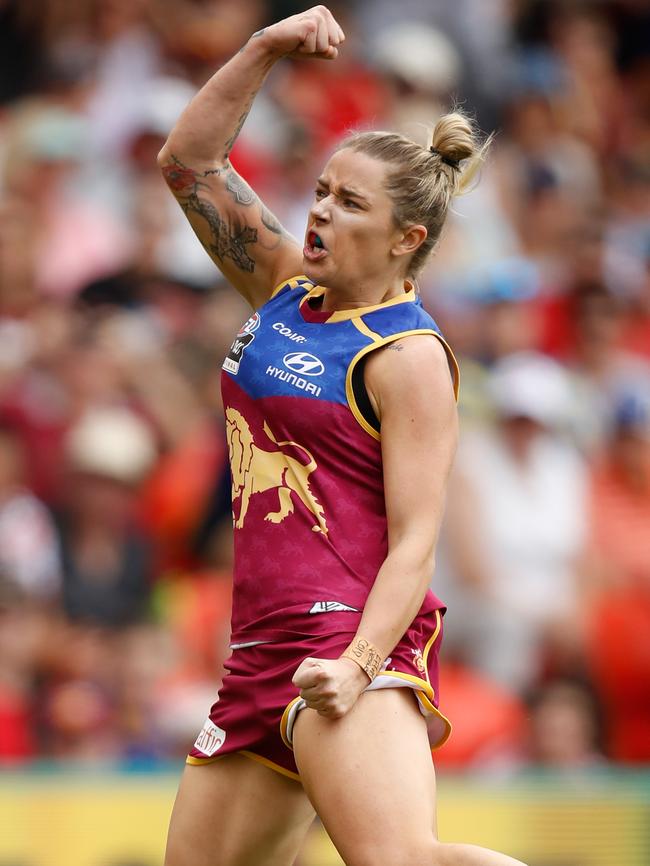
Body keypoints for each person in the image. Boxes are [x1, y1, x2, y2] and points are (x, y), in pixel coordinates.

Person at [158, 7, 527, 866]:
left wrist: (358, 665)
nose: (319, 211)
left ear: (408, 239)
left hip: (342, 646)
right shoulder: (286, 288)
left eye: (348, 203)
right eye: (321, 191)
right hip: (258, 653)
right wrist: (264, 48)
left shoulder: (408, 358)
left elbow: (417, 543)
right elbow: (188, 164)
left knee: (401, 862)